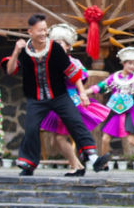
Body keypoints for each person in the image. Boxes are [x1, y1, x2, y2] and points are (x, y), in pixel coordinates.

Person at [1, 14, 111, 176]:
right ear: (30, 32)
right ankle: (28, 165)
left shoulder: (55, 49)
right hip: (37, 98)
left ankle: (94, 159)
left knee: (75, 122)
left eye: (45, 30)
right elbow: (10, 70)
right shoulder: (25, 51)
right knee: (31, 128)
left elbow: (72, 72)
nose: (44, 33)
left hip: (60, 96)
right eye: (40, 30)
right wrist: (16, 51)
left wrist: (82, 93)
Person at [40, 24, 111, 177]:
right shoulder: (48, 61)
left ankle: (80, 164)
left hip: (70, 100)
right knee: (58, 138)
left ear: (68, 46)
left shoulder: (72, 62)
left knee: (61, 137)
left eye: (60, 43)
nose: (57, 46)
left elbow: (81, 78)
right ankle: (80, 164)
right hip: (57, 100)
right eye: (54, 43)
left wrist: (82, 94)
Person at [87, 47, 134, 170]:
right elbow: (99, 87)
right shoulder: (114, 78)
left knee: (132, 140)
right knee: (105, 139)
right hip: (116, 112)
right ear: (124, 63)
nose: (132, 66)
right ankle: (104, 163)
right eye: (130, 63)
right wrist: (84, 92)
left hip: (129, 112)